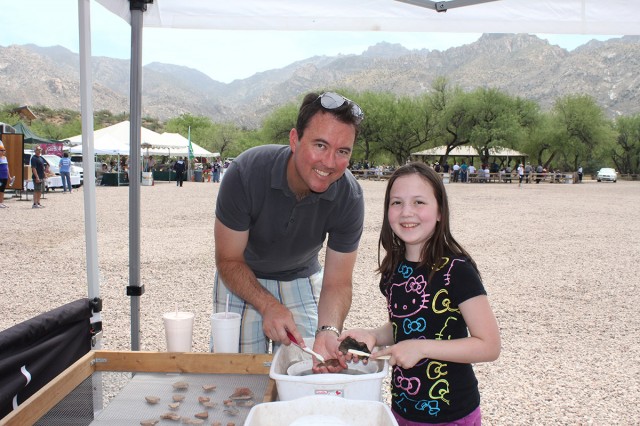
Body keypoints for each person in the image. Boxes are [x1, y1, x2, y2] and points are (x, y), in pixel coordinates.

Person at [213, 91, 365, 371]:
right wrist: (267, 305)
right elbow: (228, 260)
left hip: (301, 276)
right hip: (241, 275)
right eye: (320, 145)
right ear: (295, 140)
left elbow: (338, 282)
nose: (330, 163)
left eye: (343, 151)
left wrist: (328, 330)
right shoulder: (246, 172)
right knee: (234, 375)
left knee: (308, 370)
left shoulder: (349, 196)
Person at [339, 162, 500, 425]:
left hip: (452, 414)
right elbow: (405, 325)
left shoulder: (456, 271)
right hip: (402, 410)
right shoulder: (394, 269)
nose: (406, 213)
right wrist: (373, 336)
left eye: (419, 202)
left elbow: (489, 345)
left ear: (440, 211)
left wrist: (421, 348)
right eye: (397, 203)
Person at [0, 143, 14, 208]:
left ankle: (1, 202)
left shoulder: (5, 158)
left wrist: (9, 177)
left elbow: (7, 167)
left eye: (4, 150)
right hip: (0, 176)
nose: (3, 151)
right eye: (2, 150)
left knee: (2, 189)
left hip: (5, 176)